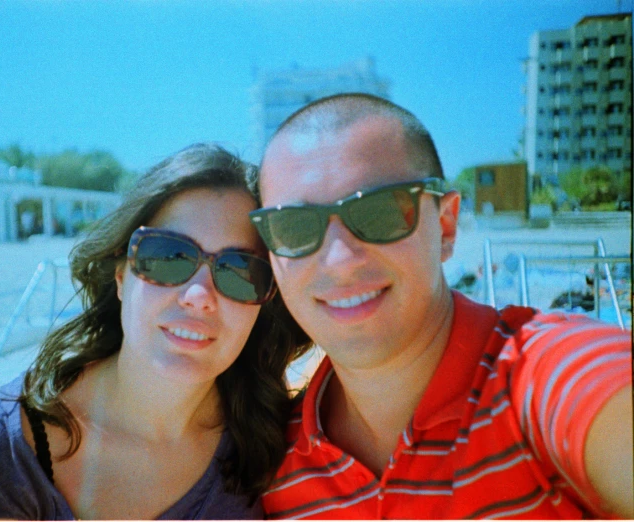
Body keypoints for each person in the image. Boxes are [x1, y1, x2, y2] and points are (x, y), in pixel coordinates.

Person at [249, 93, 633, 519]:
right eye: (294, 227)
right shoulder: (272, 469)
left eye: (381, 212)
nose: (340, 261)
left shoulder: (542, 379)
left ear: (446, 226)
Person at [0, 143, 310, 520]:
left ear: (264, 300)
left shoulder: (278, 444)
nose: (199, 297)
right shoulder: (6, 446)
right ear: (121, 276)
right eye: (169, 256)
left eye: (239, 271)